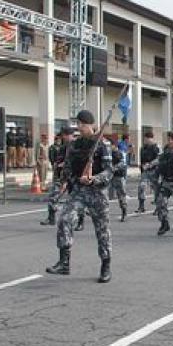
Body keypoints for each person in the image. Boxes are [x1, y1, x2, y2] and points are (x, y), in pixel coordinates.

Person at [46, 110, 113, 283]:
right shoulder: (74, 145)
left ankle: (105, 266)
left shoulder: (101, 145)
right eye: (78, 124)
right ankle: (64, 262)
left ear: (91, 125)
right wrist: (64, 182)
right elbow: (68, 166)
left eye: (83, 124)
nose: (80, 127)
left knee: (102, 230)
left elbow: (109, 171)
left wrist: (94, 179)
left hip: (97, 193)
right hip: (78, 191)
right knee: (64, 220)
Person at [40, 127, 73, 226]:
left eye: (63, 135)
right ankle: (51, 218)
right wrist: (58, 165)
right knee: (53, 197)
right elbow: (57, 160)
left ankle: (80, 221)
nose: (62, 138)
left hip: (73, 177)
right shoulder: (62, 147)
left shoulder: (77, 146)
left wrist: (66, 163)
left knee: (76, 200)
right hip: (61, 177)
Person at [136, 131, 161, 214]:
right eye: (145, 139)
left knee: (156, 189)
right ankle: (141, 206)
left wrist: (150, 164)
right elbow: (141, 159)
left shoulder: (156, 147)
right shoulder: (143, 148)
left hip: (154, 171)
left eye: (148, 139)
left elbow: (159, 159)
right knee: (141, 186)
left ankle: (158, 207)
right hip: (145, 171)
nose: (146, 141)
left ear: (152, 139)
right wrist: (142, 169)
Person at [107, 141, 128, 222]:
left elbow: (123, 163)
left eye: (110, 145)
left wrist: (114, 168)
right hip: (109, 177)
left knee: (121, 195)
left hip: (118, 176)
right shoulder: (107, 153)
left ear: (114, 145)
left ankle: (124, 212)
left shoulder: (120, 153)